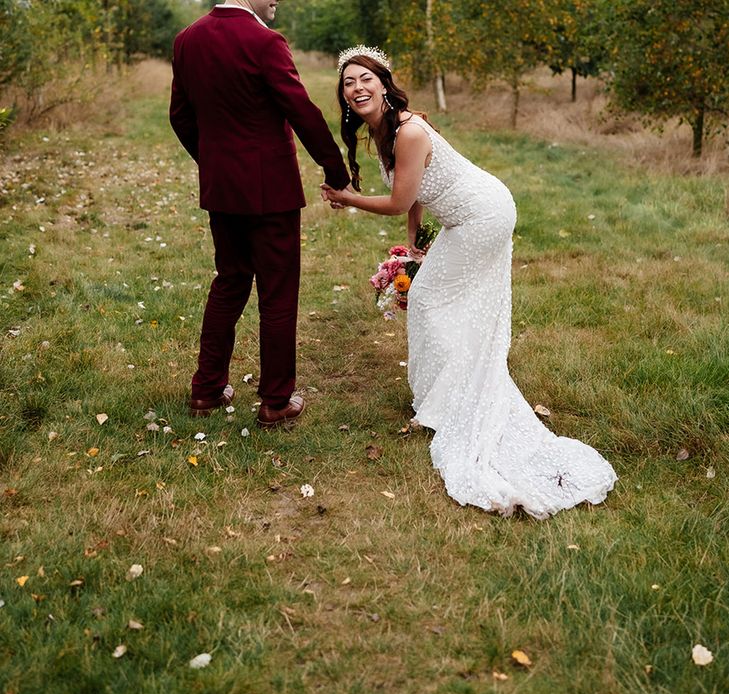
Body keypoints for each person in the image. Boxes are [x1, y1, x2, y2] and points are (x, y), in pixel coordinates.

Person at [322, 47, 617, 518]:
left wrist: (348, 198)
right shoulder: (385, 130)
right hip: (469, 217)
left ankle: (449, 402)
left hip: (483, 214)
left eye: (365, 79)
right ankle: (448, 394)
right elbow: (412, 198)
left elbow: (399, 199)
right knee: (439, 301)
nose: (356, 88)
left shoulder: (409, 130)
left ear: (384, 83)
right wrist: (415, 245)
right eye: (348, 83)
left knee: (427, 301)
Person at [169, 0, 350, 426]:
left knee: (230, 281)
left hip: (222, 190)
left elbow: (180, 116)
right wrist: (335, 168)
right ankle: (274, 402)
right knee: (278, 293)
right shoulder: (266, 41)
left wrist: (217, 164)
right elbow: (301, 110)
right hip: (271, 191)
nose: (278, 0)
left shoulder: (187, 40)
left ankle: (207, 390)